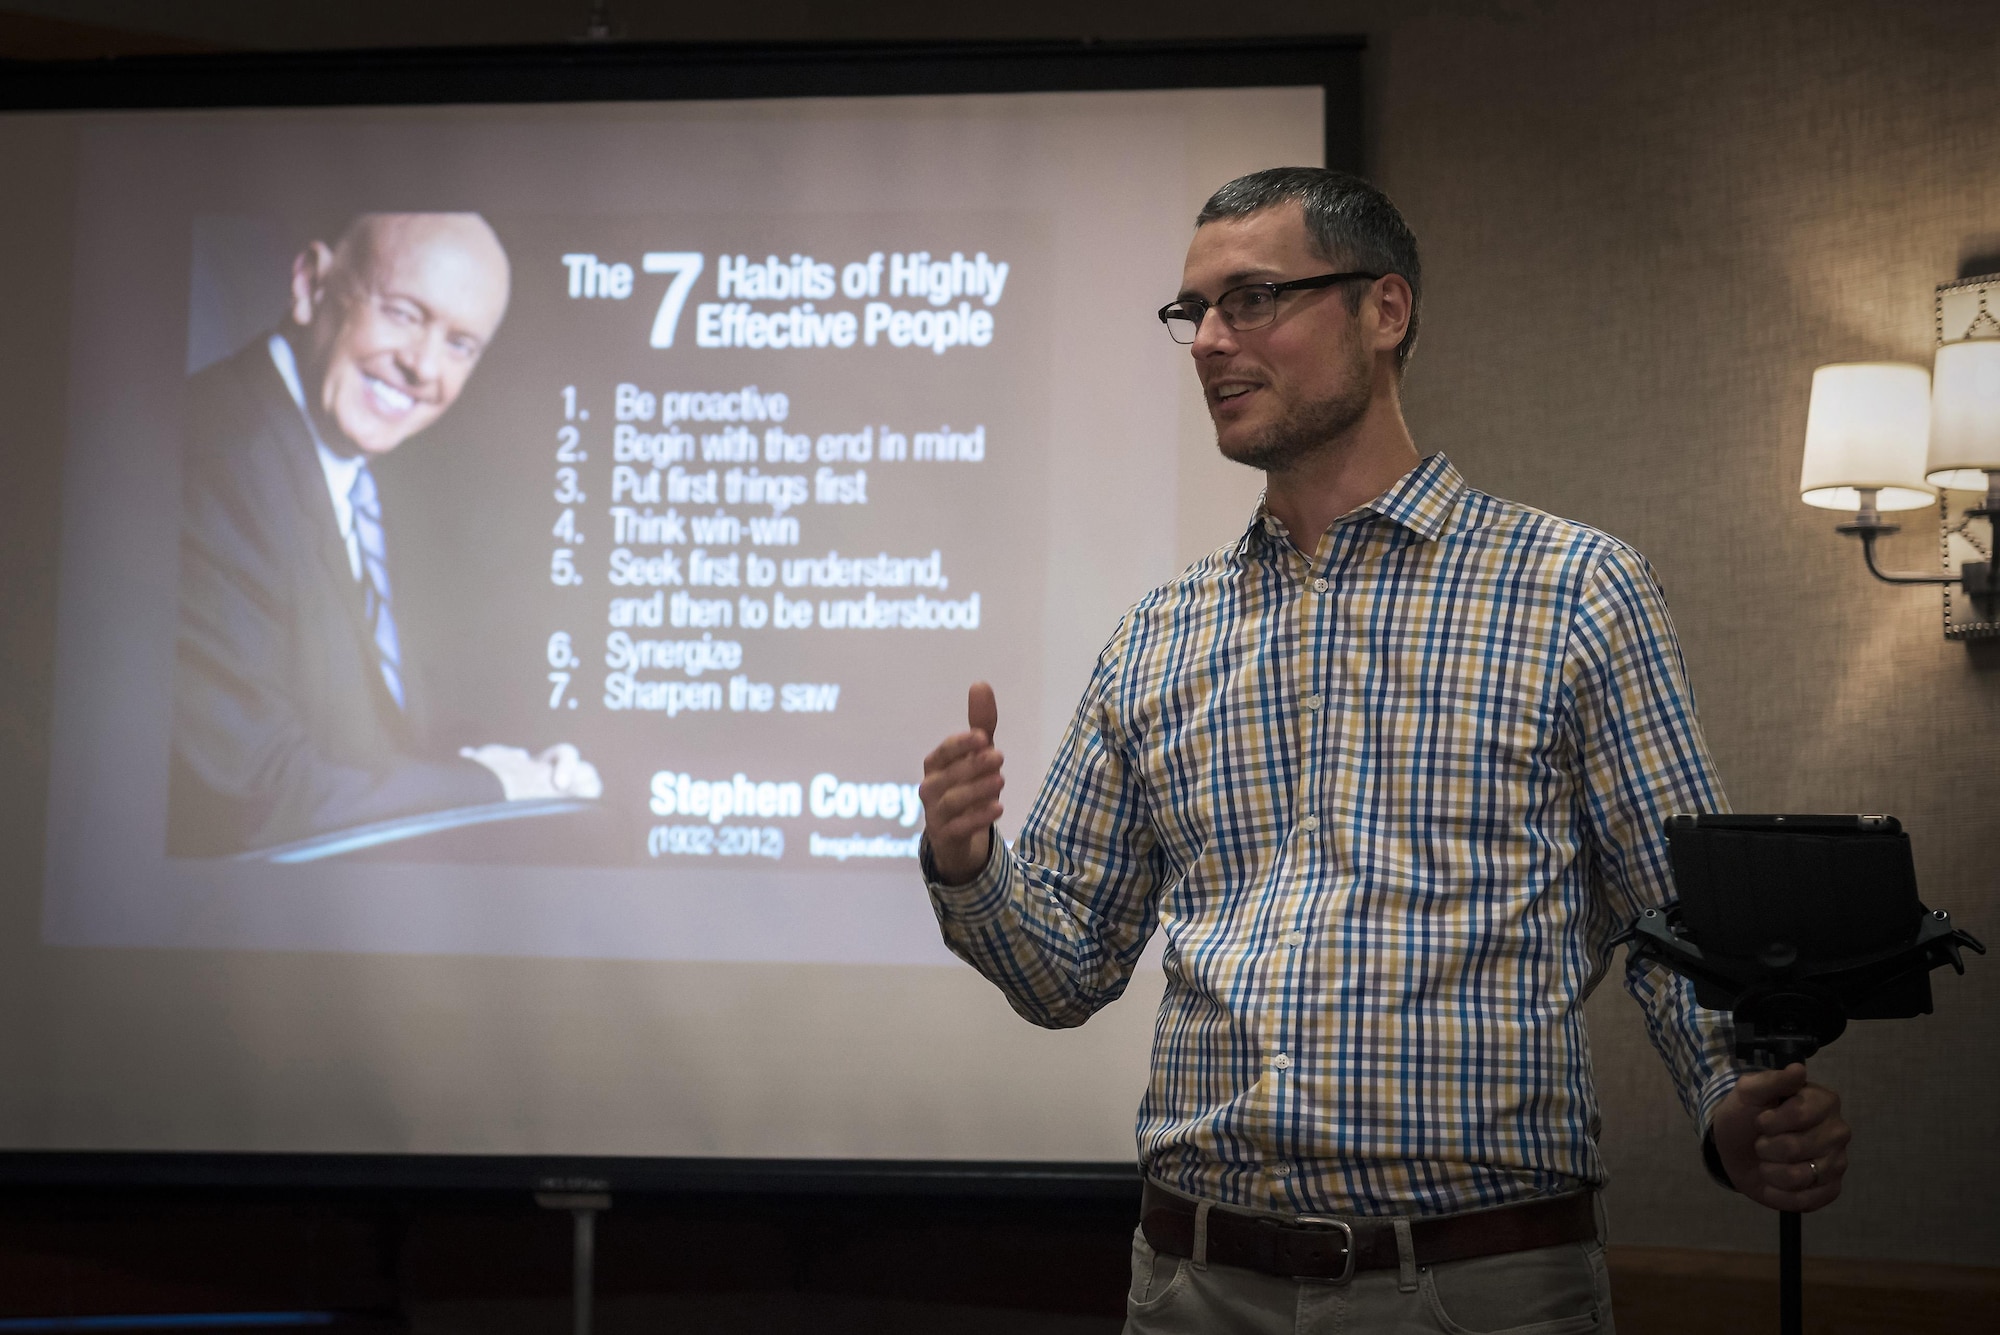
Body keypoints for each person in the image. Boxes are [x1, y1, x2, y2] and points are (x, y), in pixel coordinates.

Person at [918, 169, 1851, 1333]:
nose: (1209, 340)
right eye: (1192, 311)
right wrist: (967, 866)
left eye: (1252, 298)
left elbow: (1684, 928)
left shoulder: (1571, 591)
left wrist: (1730, 1102)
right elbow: (1064, 971)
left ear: (1384, 312)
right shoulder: (1157, 635)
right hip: (1192, 1285)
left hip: (1475, 1286)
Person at [169, 212, 600, 857]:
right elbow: (247, 791)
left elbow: (375, 727)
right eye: (403, 313)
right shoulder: (208, 457)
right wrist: (490, 786)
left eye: (461, 345)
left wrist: (521, 766)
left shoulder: (366, 466)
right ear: (312, 284)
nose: (423, 367)